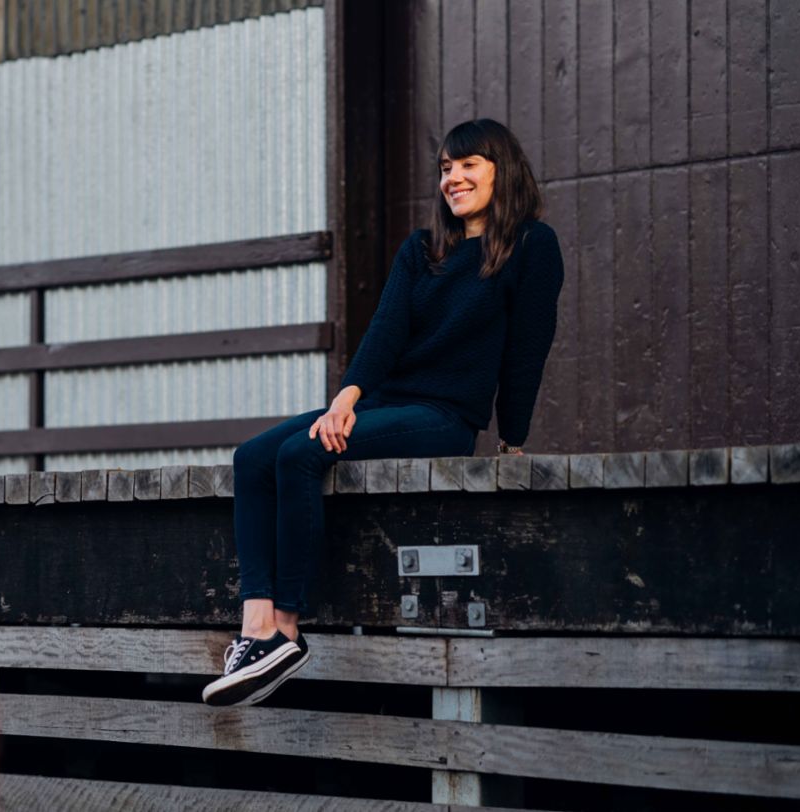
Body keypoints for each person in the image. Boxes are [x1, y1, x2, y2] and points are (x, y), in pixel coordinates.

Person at [201, 119, 564, 707]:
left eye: (469, 164)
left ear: (502, 168)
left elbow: (527, 349)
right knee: (253, 457)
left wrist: (513, 440)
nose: (454, 178)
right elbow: (386, 333)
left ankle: (287, 631)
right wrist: (347, 398)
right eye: (446, 168)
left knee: (300, 455)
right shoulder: (423, 250)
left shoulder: (531, 246)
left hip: (443, 416)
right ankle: (255, 629)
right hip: (386, 402)